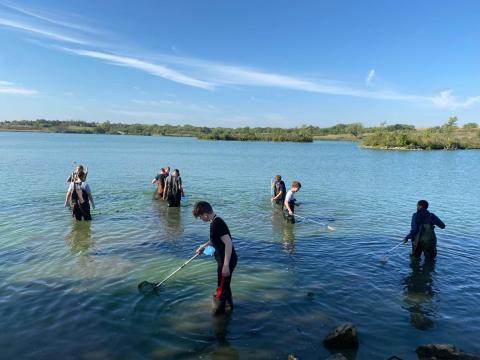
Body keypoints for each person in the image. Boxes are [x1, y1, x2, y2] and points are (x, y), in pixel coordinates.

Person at [193, 201, 237, 315]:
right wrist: (203, 247)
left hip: (226, 261)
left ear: (205, 215)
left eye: (200, 217)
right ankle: (230, 307)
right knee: (225, 285)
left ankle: (218, 318)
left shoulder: (216, 224)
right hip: (225, 260)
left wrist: (226, 265)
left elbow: (228, 243)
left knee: (221, 288)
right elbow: (215, 240)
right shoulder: (216, 221)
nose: (201, 220)